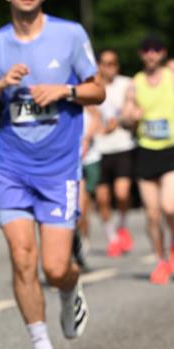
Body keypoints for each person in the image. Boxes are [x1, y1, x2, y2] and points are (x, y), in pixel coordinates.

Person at [0, 0, 104, 349]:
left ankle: (70, 289)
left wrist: (64, 90)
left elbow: (97, 89)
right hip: (11, 168)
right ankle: (41, 348)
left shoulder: (69, 35)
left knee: (55, 267)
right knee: (22, 257)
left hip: (59, 169)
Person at [121, 34, 174, 285]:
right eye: (147, 50)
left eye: (156, 49)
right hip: (146, 151)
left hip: (170, 148)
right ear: (141, 54)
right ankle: (161, 260)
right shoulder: (134, 83)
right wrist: (131, 116)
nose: (151, 54)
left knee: (170, 207)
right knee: (151, 214)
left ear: (162, 53)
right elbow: (125, 118)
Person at [94, 50, 136, 257]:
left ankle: (122, 225)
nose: (109, 67)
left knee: (122, 193)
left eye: (113, 63)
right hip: (98, 149)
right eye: (105, 63)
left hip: (122, 145)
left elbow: (135, 112)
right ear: (98, 65)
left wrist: (120, 121)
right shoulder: (92, 87)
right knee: (102, 198)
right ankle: (111, 237)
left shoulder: (127, 84)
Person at [77, 105, 103, 262]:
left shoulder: (80, 94)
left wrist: (87, 137)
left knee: (82, 206)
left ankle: (83, 240)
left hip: (88, 159)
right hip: (65, 160)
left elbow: (97, 117)